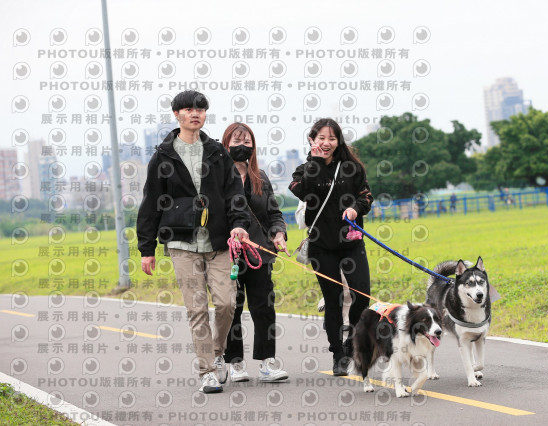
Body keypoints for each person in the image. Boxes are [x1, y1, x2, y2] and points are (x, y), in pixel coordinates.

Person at [136, 90, 250, 394]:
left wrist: (239, 225)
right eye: (188, 109)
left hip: (219, 241)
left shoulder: (217, 152)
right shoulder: (163, 156)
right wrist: (147, 249)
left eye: (200, 109)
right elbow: (150, 203)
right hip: (181, 242)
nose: (195, 114)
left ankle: (217, 352)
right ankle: (207, 371)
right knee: (197, 309)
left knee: (226, 302)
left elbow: (234, 193)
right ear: (177, 115)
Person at [289, 118, 374, 376]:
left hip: (351, 243)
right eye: (321, 138)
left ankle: (350, 343)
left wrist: (355, 208)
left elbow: (366, 196)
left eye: (332, 138)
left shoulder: (352, 168)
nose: (326, 143)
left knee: (362, 295)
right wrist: (315, 163)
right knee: (333, 300)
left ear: (339, 141)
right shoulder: (302, 171)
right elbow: (303, 192)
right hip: (321, 246)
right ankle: (338, 354)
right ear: (312, 140)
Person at [220, 123, 290, 383]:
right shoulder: (216, 178)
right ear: (225, 144)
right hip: (228, 255)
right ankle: (235, 362)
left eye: (247, 142)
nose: (242, 146)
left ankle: (267, 362)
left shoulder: (260, 177)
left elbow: (274, 214)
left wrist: (279, 233)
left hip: (260, 253)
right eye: (237, 141)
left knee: (264, 308)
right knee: (231, 308)